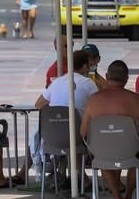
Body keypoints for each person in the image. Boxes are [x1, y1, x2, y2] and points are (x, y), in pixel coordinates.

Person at [15, 51, 98, 183]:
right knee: (80, 134)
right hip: (78, 136)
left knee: (38, 133)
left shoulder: (57, 82)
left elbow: (39, 104)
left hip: (52, 136)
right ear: (84, 66)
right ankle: (82, 178)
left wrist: (57, 109)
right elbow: (99, 107)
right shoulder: (89, 84)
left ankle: (27, 172)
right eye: (89, 65)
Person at [81, 60, 139, 199]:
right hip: (129, 150)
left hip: (102, 151)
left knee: (102, 153)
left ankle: (117, 196)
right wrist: (137, 130)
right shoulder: (136, 99)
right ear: (126, 79)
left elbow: (83, 132)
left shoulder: (93, 100)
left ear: (106, 76)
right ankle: (128, 195)